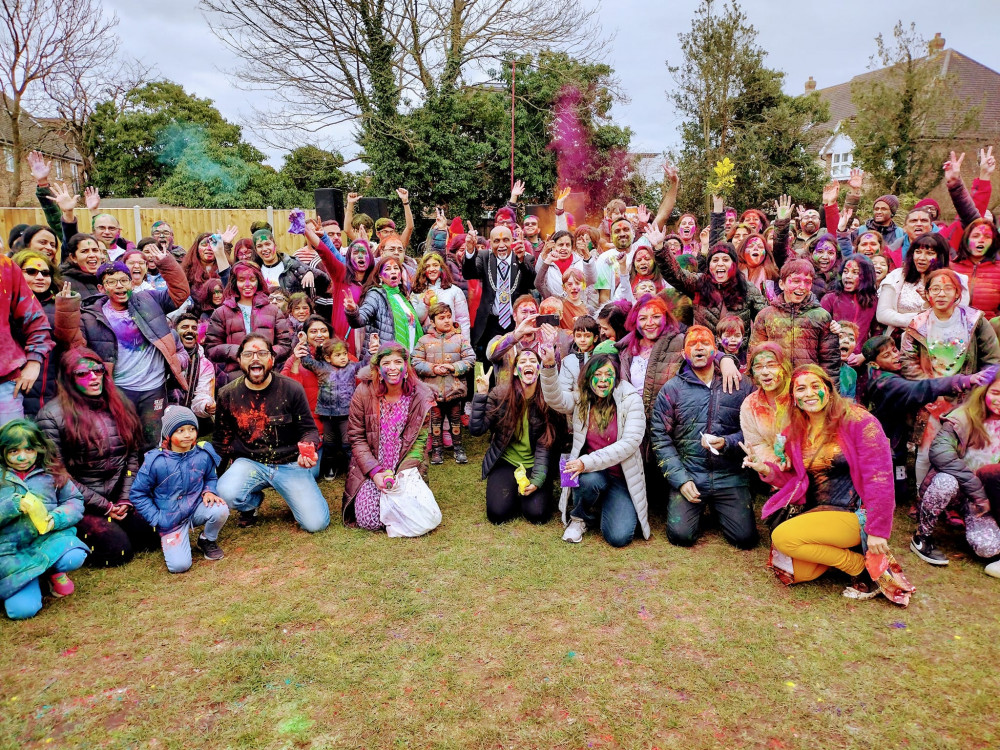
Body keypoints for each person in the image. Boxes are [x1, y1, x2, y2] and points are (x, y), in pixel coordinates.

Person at [744, 365, 906, 602]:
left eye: (815, 386)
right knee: (796, 573)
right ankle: (841, 551)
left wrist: (877, 531)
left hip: (854, 513)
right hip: (818, 511)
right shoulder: (796, 430)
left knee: (783, 537)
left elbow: (879, 477)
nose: (808, 393)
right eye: (800, 389)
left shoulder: (859, 421)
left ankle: (858, 566)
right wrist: (765, 469)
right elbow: (795, 480)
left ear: (829, 390)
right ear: (794, 397)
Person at [36, 347, 158, 567]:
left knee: (153, 534)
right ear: (67, 378)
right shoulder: (51, 416)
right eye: (83, 373)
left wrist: (125, 498)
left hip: (119, 497)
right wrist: (105, 507)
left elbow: (132, 456)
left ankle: (119, 522)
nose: (93, 378)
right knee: (119, 552)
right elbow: (58, 475)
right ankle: (70, 538)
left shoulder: (119, 404)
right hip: (80, 504)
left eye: (98, 370)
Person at [57, 252, 191, 450]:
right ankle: (129, 478)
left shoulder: (148, 300)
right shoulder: (91, 316)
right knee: (122, 440)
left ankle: (149, 476)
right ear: (102, 288)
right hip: (118, 389)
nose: (120, 286)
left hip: (153, 389)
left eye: (124, 280)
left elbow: (180, 293)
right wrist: (67, 308)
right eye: (112, 282)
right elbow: (70, 342)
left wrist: (166, 263)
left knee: (153, 440)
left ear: (132, 283)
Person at [650, 326, 757, 549]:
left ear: (715, 350)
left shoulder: (741, 384)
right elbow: (660, 438)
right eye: (692, 344)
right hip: (691, 473)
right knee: (681, 537)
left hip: (730, 475)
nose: (699, 347)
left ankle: (723, 508)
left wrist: (727, 443)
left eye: (705, 343)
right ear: (683, 354)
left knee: (745, 539)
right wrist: (680, 479)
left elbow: (755, 430)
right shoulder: (672, 389)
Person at [213, 334, 329, 532]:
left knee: (316, 524)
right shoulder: (227, 394)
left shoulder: (291, 388)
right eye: (249, 354)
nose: (255, 358)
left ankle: (297, 492)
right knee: (225, 492)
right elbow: (221, 441)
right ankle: (251, 502)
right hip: (250, 462)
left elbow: (309, 429)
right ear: (239, 360)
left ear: (272, 359)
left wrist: (307, 448)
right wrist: (210, 481)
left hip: (290, 463)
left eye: (262, 353)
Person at [539, 346, 649, 547]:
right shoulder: (583, 397)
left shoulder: (630, 399)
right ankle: (579, 518)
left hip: (620, 476)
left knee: (619, 537)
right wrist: (548, 366)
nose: (603, 380)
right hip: (591, 473)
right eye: (597, 374)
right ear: (589, 377)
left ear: (616, 377)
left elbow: (630, 442)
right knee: (589, 481)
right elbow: (556, 399)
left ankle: (604, 504)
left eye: (609, 374)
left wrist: (585, 461)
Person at [863, 334, 985, 510]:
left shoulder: (888, 372)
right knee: (890, 465)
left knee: (900, 473)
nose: (895, 356)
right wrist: (961, 380)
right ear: (874, 363)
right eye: (886, 355)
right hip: (885, 436)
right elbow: (917, 388)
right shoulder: (884, 382)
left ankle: (898, 486)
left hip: (897, 434)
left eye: (894, 350)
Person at [0, 419, 89, 620]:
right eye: (14, 451)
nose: (22, 457)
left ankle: (52, 573)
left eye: (29, 450)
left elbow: (74, 500)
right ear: (3, 451)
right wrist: (12, 506)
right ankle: (30, 580)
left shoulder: (52, 471)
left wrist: (55, 519)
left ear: (39, 449)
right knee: (22, 611)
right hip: (11, 551)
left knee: (74, 556)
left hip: (47, 540)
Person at [914, 370, 1000, 576]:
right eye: (996, 392)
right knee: (946, 482)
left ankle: (974, 528)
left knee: (989, 549)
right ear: (984, 391)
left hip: (983, 500)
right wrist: (977, 492)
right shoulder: (962, 417)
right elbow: (941, 454)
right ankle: (922, 536)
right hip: (960, 489)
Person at [343, 343, 433, 530]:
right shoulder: (364, 392)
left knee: (416, 516)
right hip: (372, 466)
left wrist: (402, 474)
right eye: (387, 363)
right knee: (370, 521)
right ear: (378, 368)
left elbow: (420, 442)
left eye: (397, 362)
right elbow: (356, 437)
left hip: (404, 468)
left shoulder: (420, 396)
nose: (392, 368)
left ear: (406, 367)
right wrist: (375, 473)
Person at [129, 406, 229, 573]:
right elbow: (138, 494)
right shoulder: (155, 461)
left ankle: (206, 539)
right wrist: (157, 518)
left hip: (196, 508)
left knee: (221, 510)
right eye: (180, 430)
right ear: (168, 435)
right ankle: (173, 542)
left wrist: (209, 491)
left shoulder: (203, 454)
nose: (187, 435)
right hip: (170, 519)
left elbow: (210, 477)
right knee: (179, 566)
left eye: (192, 429)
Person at [470, 348, 560, 525]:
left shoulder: (548, 398)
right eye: (523, 362)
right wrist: (481, 394)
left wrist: (537, 480)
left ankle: (533, 494)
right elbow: (477, 430)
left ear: (539, 368)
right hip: (507, 461)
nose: (528, 364)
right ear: (514, 370)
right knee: (498, 514)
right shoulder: (500, 394)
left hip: (535, 462)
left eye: (533, 361)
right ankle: (511, 493)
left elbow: (545, 444)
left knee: (537, 515)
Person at [651, 227, 766, 356]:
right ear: (709, 265)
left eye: (726, 260)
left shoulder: (748, 289)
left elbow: (765, 319)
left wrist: (752, 348)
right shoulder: (699, 283)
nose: (720, 264)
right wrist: (660, 248)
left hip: (738, 356)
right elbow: (675, 274)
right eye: (715, 260)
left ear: (734, 264)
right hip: (704, 355)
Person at [748, 259, 841, 381]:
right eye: (796, 281)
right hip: (776, 384)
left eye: (807, 282)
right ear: (782, 284)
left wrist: (831, 394)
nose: (802, 287)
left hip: (808, 387)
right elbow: (755, 354)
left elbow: (830, 363)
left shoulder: (821, 317)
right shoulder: (766, 316)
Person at [203, 261, 293, 377]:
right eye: (241, 280)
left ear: (258, 281)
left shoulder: (273, 311)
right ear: (235, 282)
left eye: (252, 279)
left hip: (267, 374)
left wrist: (263, 353)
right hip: (235, 376)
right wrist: (239, 351)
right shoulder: (221, 312)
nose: (247, 284)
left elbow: (285, 345)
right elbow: (211, 348)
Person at [412, 303, 475, 465]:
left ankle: (458, 447)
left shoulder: (460, 339)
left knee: (455, 418)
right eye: (442, 318)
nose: (447, 320)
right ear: (432, 321)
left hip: (455, 390)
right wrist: (433, 369)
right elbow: (416, 362)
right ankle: (437, 449)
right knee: (436, 421)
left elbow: (470, 359)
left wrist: (454, 367)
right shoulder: (424, 341)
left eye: (448, 317)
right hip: (432, 392)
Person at [463, 225, 537, 362]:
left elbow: (531, 283)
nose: (501, 245)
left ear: (512, 241)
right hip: (490, 323)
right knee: (489, 361)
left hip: (516, 322)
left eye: (506, 240)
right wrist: (469, 250)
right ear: (490, 243)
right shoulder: (484, 257)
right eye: (496, 241)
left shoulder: (524, 257)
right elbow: (469, 273)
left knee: (516, 360)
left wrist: (521, 261)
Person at [877, 233, 969, 337]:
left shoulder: (956, 280)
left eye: (929, 253)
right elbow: (882, 314)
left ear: (940, 257)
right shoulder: (896, 276)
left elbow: (957, 316)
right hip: (898, 340)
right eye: (918, 252)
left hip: (940, 340)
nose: (921, 258)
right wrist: (916, 320)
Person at [299, 337, 363, 479]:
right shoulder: (321, 367)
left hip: (346, 414)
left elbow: (366, 363)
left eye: (344, 354)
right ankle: (330, 467)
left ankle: (352, 469)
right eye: (338, 355)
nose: (343, 358)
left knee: (348, 443)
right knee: (329, 443)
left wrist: (371, 348)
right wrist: (303, 342)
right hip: (327, 414)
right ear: (328, 358)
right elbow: (307, 361)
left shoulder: (352, 367)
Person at [12, 250, 63, 419]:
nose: (40, 277)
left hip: (52, 392)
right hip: (15, 389)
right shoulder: (7, 306)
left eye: (45, 273)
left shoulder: (59, 306)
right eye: (31, 272)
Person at [344, 256, 423, 355]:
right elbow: (359, 321)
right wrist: (352, 311)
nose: (393, 272)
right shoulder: (375, 294)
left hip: (408, 356)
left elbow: (412, 324)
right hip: (385, 358)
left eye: (396, 268)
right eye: (388, 269)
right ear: (380, 275)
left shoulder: (402, 296)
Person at [739, 343, 791, 468]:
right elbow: (756, 445)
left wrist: (795, 457)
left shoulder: (799, 393)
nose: (765, 372)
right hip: (773, 476)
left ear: (784, 367)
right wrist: (777, 462)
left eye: (772, 365)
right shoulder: (750, 405)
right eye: (758, 367)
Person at [282, 315, 333, 440]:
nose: (319, 335)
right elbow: (285, 392)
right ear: (305, 336)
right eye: (313, 332)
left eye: (324, 331)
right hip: (309, 426)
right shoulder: (295, 358)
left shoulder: (342, 355)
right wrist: (296, 362)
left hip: (338, 424)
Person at [821, 255, 879, 357]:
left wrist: (864, 356)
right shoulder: (830, 299)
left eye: (855, 272)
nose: (848, 276)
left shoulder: (873, 302)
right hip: (833, 356)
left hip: (860, 359)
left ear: (867, 277)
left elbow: (877, 333)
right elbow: (820, 329)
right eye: (845, 271)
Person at [410, 252, 471, 341]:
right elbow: (416, 320)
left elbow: (463, 320)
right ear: (422, 270)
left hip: (451, 340)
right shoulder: (417, 292)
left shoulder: (454, 291)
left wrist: (465, 343)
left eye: (435, 265)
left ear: (442, 268)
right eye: (427, 266)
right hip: (427, 342)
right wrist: (425, 304)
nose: (432, 269)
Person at [171, 313, 216, 431]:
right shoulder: (162, 356)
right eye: (185, 327)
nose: (190, 331)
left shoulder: (205, 364)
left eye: (194, 328)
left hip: (189, 415)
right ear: (174, 332)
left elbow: (202, 394)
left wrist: (205, 406)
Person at [950, 218, 1000, 320]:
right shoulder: (950, 267)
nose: (981, 240)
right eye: (975, 236)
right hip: (953, 329)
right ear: (966, 239)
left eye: (987, 237)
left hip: (989, 330)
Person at [251, 229, 325, 297]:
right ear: (256, 250)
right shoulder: (255, 271)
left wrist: (310, 272)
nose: (264, 249)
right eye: (259, 246)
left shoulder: (292, 264)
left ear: (275, 245)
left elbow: (325, 280)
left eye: (268, 244)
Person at [59, 233, 103, 299]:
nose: (92, 255)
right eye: (84, 251)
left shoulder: (107, 279)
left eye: (95, 250)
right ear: (73, 257)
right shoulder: (64, 283)